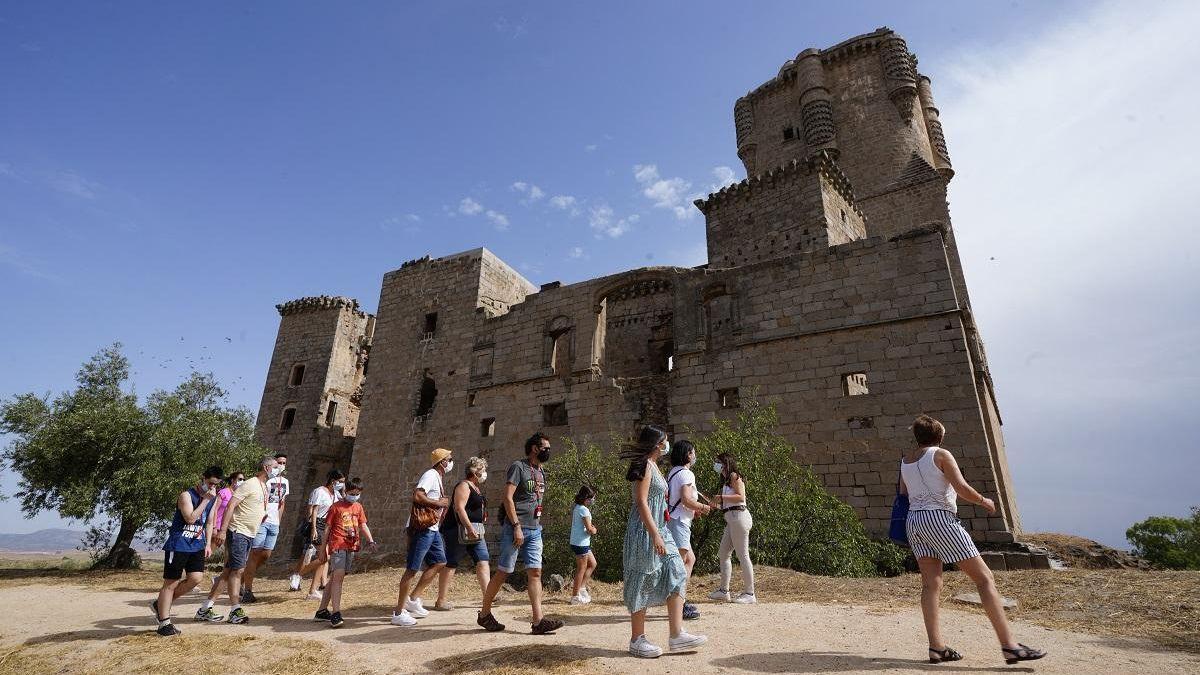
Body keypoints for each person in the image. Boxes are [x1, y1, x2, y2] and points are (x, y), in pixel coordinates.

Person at [901, 415, 1046, 665]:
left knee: (931, 585)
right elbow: (961, 487)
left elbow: (903, 493)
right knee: (984, 578)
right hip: (939, 519)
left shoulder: (905, 461)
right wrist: (983, 500)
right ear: (939, 436)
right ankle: (1010, 646)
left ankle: (936, 647)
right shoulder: (941, 455)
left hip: (914, 521)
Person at [621, 425, 707, 658]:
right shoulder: (645, 465)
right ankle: (637, 639)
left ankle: (677, 635)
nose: (667, 445)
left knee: (677, 571)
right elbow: (641, 502)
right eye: (665, 441)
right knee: (642, 578)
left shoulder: (655, 466)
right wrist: (655, 534)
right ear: (657, 444)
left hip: (661, 528)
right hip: (645, 531)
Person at [477, 432, 563, 635]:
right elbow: (507, 497)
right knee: (504, 572)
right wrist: (516, 526)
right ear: (534, 448)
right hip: (515, 528)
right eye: (545, 448)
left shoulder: (541, 471)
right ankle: (484, 614)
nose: (548, 451)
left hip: (535, 529)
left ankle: (538, 621)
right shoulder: (519, 467)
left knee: (535, 572)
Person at [203, 454, 279, 625]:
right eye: (275, 467)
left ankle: (205, 608)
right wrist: (223, 531)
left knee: (228, 572)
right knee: (238, 571)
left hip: (249, 533)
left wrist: (260, 517)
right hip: (238, 531)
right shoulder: (250, 483)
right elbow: (231, 505)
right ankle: (235, 610)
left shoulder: (264, 487)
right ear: (266, 468)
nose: (278, 470)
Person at [150, 466, 223, 636]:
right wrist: (205, 500)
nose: (212, 487)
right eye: (210, 483)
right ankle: (164, 623)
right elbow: (190, 518)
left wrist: (207, 544)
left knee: (196, 578)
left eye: (216, 485)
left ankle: (159, 604)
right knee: (171, 583)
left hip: (197, 544)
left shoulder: (213, 498)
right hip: (179, 544)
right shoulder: (186, 496)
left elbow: (209, 522)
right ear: (203, 478)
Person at [391, 448, 453, 627]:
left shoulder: (437, 477)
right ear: (442, 462)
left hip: (432, 528)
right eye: (449, 459)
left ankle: (412, 599)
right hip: (422, 528)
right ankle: (398, 613)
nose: (451, 462)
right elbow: (418, 495)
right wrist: (438, 503)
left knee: (440, 562)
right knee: (412, 569)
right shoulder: (430, 475)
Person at [313, 477, 378, 628]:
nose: (354, 496)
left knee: (335, 578)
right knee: (339, 577)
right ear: (345, 492)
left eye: (357, 494)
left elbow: (363, 525)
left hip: (351, 545)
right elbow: (327, 528)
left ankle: (322, 611)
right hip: (338, 545)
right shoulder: (336, 507)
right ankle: (336, 613)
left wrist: (371, 540)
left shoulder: (358, 507)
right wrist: (323, 549)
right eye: (352, 493)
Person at [664, 440, 712, 619]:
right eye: (693, 452)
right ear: (687, 454)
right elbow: (686, 499)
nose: (694, 455)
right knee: (680, 565)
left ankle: (679, 601)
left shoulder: (673, 472)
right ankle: (678, 605)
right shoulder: (686, 474)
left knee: (689, 560)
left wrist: (693, 509)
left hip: (674, 520)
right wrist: (703, 507)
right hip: (680, 523)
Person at [436, 456, 491, 611]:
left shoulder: (475, 487)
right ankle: (441, 601)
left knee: (483, 560)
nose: (484, 473)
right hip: (458, 530)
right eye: (482, 470)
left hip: (476, 530)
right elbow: (459, 508)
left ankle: (488, 596)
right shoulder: (464, 486)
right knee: (451, 563)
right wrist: (469, 527)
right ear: (474, 471)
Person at [707, 451, 756, 604]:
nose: (716, 464)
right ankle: (724, 591)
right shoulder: (726, 481)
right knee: (723, 553)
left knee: (743, 555)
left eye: (718, 462)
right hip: (732, 519)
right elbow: (728, 504)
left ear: (725, 463)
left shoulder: (735, 476)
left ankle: (750, 593)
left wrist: (721, 498)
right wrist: (715, 504)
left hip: (739, 518)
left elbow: (741, 497)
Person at [290, 469, 346, 599]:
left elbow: (343, 503)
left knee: (324, 559)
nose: (342, 484)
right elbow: (314, 510)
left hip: (328, 526)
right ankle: (298, 574)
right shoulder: (320, 491)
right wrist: (314, 529)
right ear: (333, 480)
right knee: (323, 558)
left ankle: (312, 590)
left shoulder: (335, 494)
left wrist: (343, 491)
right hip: (319, 524)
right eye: (340, 481)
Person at [241, 451, 289, 603]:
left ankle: (239, 579)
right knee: (255, 553)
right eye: (278, 463)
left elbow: (282, 502)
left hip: (274, 523)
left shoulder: (285, 482)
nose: (281, 466)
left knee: (265, 555)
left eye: (283, 463)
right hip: (262, 521)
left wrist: (279, 521)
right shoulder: (264, 481)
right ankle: (247, 590)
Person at [207, 471, 243, 598]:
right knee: (208, 553)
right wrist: (214, 527)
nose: (241, 481)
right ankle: (193, 575)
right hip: (218, 527)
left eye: (243, 479)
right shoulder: (223, 492)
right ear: (233, 480)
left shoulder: (239, 495)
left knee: (229, 559)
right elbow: (215, 509)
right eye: (239, 479)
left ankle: (219, 581)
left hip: (231, 529)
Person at [568, 485, 598, 605]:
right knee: (581, 568)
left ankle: (581, 588)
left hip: (580, 542)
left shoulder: (578, 507)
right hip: (581, 544)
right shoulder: (584, 510)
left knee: (593, 564)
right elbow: (590, 529)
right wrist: (594, 530)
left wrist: (590, 528)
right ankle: (575, 596)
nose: (592, 500)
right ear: (585, 498)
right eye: (590, 498)